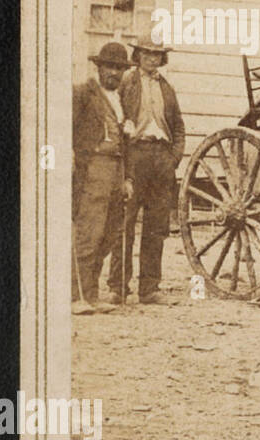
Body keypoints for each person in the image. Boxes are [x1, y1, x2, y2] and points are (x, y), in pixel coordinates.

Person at [110, 39, 186, 305]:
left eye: (157, 55)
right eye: (147, 54)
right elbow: (116, 119)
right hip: (135, 155)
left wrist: (174, 157)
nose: (152, 59)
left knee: (156, 226)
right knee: (125, 223)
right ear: (138, 55)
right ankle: (118, 287)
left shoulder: (167, 88)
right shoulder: (126, 83)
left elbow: (178, 126)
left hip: (162, 159)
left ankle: (149, 288)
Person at [71, 42, 134, 314]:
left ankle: (93, 294)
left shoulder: (121, 100)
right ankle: (75, 296)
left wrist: (128, 179)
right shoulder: (84, 94)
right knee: (89, 233)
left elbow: (127, 145)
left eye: (119, 69)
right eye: (109, 67)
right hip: (93, 167)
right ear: (99, 67)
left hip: (117, 170)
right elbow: (67, 129)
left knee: (108, 235)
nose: (114, 73)